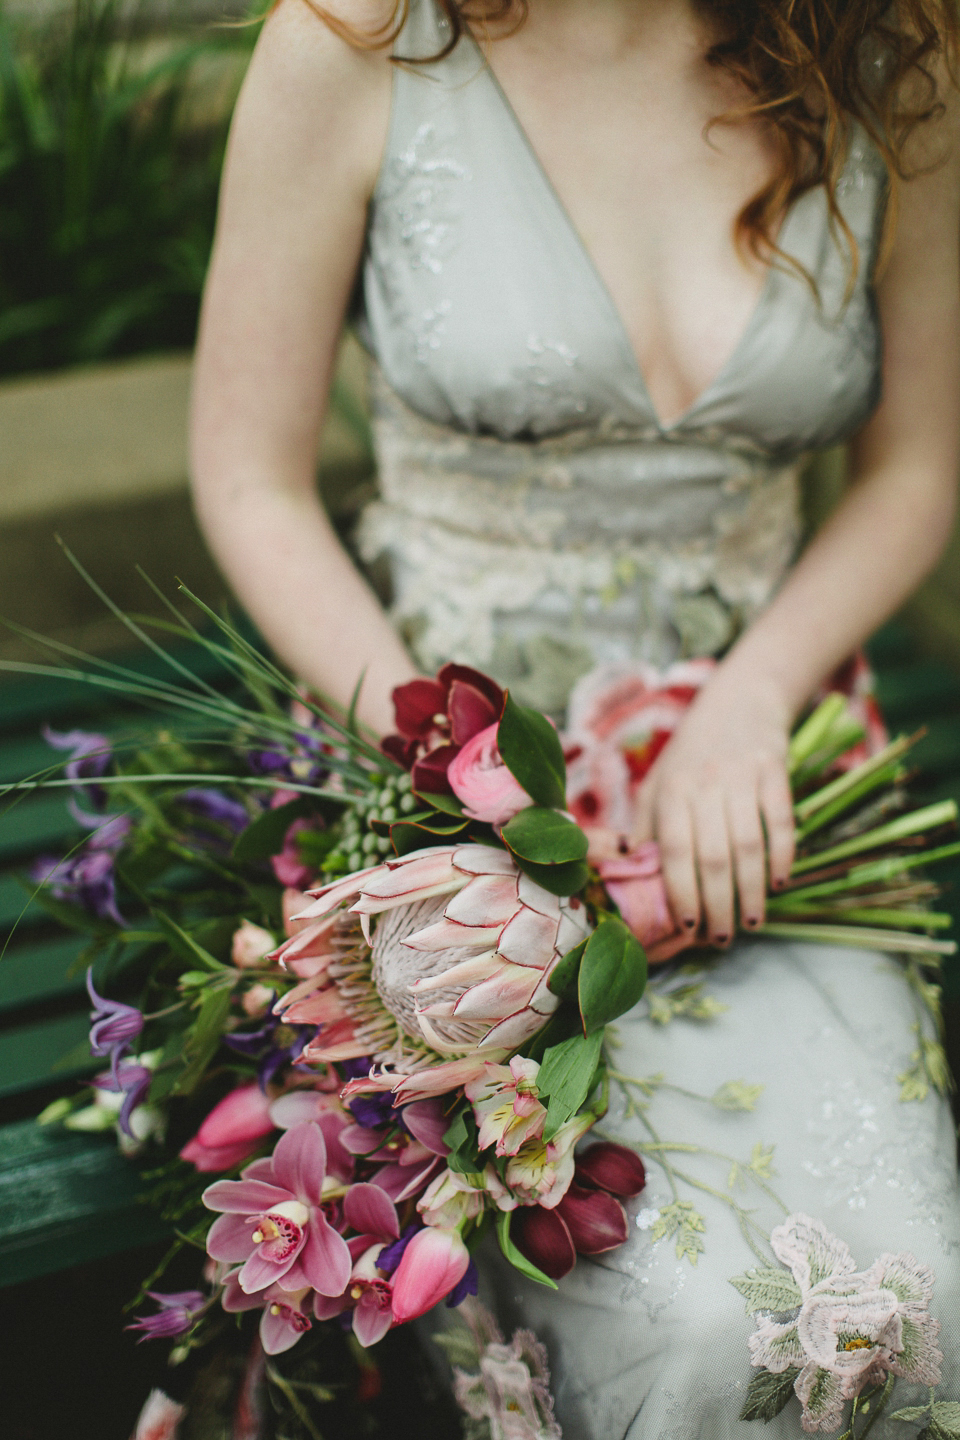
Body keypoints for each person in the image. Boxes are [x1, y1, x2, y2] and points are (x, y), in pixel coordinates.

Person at [189, 1, 960, 1433]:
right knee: (686, 1320)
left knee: (903, 1293)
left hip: (766, 806)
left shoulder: (890, 52)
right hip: (441, 813)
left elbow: (917, 464)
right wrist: (451, 790)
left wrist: (755, 699)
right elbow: (251, 479)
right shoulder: (349, 45)